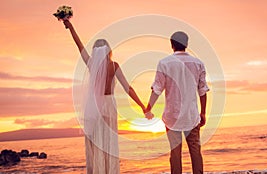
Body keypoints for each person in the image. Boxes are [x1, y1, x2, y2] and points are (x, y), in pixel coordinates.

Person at [62, 20, 146, 174]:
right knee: (109, 141)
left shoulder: (91, 63)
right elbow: (128, 88)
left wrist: (70, 26)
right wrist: (142, 106)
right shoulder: (114, 66)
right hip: (109, 105)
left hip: (94, 105)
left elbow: (79, 45)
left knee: (96, 141)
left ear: (95, 51)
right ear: (109, 50)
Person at [144, 31, 209, 174]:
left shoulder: (164, 63)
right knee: (195, 151)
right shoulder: (198, 63)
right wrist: (203, 112)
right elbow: (203, 91)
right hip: (191, 116)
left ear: (172, 44)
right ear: (186, 44)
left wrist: (148, 108)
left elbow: (157, 89)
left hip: (172, 117)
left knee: (175, 153)